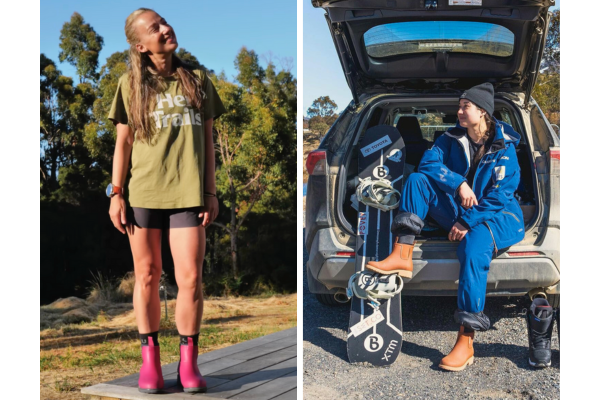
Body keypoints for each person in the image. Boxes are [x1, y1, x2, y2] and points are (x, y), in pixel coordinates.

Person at [106, 8, 225, 393]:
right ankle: (150, 364)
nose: (166, 28)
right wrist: (116, 194)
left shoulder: (198, 80)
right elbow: (122, 142)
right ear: (140, 45)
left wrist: (210, 191)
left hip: (188, 193)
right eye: (154, 28)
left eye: (164, 21)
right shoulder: (129, 84)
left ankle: (188, 365)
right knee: (147, 276)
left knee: (190, 278)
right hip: (143, 193)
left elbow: (207, 141)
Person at [366, 83, 525, 371]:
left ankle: (466, 341)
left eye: (466, 106)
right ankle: (402, 254)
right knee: (416, 181)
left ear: (483, 112)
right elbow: (427, 163)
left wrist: (467, 221)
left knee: (474, 245)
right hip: (461, 206)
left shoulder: (505, 147)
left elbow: (502, 194)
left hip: (497, 216)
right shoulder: (449, 136)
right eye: (460, 105)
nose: (459, 111)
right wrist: (459, 183)